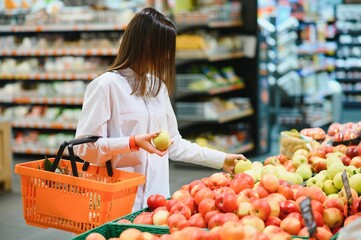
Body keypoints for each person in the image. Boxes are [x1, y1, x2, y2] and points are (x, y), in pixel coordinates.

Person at [74, 7, 247, 211]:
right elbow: (83, 148)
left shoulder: (157, 87)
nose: (166, 56)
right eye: (163, 48)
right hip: (118, 203)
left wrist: (221, 160)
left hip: (157, 201)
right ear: (146, 45)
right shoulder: (106, 86)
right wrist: (131, 143)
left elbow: (173, 144)